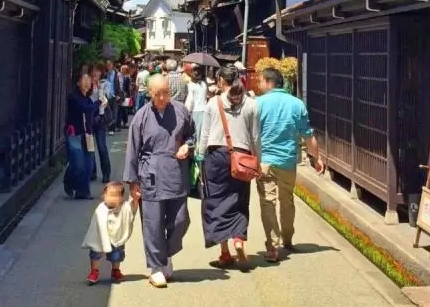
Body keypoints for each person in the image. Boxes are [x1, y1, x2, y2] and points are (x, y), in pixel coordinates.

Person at [125, 74, 196, 288]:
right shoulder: (141, 116)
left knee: (180, 219)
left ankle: (166, 255)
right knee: (153, 224)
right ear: (150, 94)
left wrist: (188, 146)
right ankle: (156, 266)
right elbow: (132, 150)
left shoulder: (181, 111)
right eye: (159, 94)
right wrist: (133, 182)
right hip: (151, 175)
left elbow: (191, 134)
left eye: (166, 92)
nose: (164, 97)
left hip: (176, 172)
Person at [256, 67, 325, 262]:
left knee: (267, 202)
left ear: (269, 82)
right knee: (287, 201)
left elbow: (251, 132)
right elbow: (307, 134)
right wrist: (317, 158)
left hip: (265, 161)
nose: (258, 85)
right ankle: (288, 238)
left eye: (260, 81)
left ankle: (272, 245)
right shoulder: (297, 104)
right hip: (288, 160)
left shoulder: (258, 103)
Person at [197, 66, 260, 268]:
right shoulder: (251, 104)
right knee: (239, 200)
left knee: (216, 202)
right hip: (242, 157)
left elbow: (204, 134)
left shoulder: (213, 103)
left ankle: (224, 252)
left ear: (222, 81)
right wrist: (258, 159)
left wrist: (199, 155)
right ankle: (239, 240)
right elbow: (256, 136)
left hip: (216, 156)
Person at [82, 181, 139, 285]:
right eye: (109, 195)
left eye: (115, 196)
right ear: (104, 195)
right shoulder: (101, 209)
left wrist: (135, 199)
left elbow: (132, 209)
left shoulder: (124, 207)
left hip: (116, 237)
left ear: (122, 198)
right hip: (100, 237)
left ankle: (115, 270)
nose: (111, 198)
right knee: (95, 253)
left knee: (116, 254)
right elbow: (96, 223)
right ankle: (94, 271)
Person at [64, 74, 97, 200]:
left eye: (89, 81)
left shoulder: (88, 99)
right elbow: (85, 109)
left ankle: (83, 192)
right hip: (75, 133)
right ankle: (68, 180)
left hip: (88, 134)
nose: (87, 83)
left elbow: (91, 115)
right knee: (78, 164)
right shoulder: (74, 97)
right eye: (84, 80)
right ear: (78, 83)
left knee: (89, 164)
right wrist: (98, 103)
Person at [89, 66, 112, 183]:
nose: (95, 74)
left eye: (98, 72)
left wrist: (99, 88)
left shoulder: (104, 84)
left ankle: (106, 173)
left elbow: (106, 100)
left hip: (100, 118)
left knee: (102, 147)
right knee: (90, 147)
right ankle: (92, 172)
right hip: (89, 118)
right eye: (94, 72)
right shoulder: (87, 84)